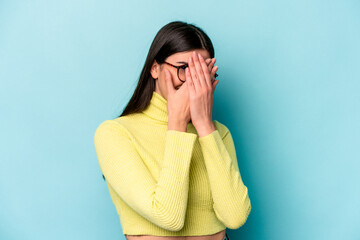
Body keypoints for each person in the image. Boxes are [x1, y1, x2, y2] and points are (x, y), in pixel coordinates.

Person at [94, 21, 251, 240]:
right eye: (184, 69)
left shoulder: (218, 133)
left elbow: (235, 218)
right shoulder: (115, 134)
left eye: (202, 71)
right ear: (155, 68)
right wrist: (176, 123)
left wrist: (205, 125)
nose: (194, 81)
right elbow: (169, 217)